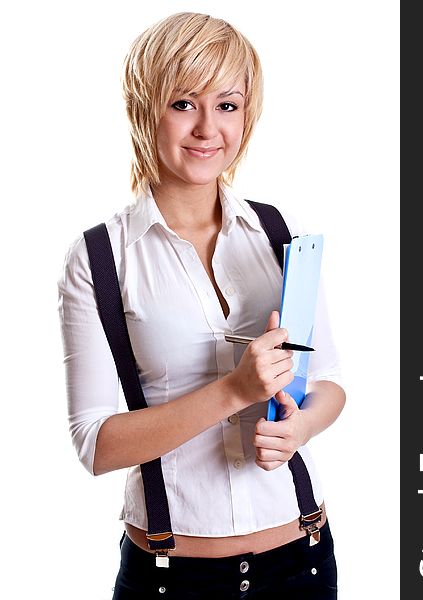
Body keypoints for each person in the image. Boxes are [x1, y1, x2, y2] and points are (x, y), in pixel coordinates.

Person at [58, 11, 346, 599]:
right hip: (172, 581)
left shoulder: (274, 232)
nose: (207, 128)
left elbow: (330, 382)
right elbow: (95, 444)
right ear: (147, 109)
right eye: (184, 103)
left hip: (302, 563)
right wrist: (235, 392)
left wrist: (302, 428)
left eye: (228, 105)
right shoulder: (98, 258)